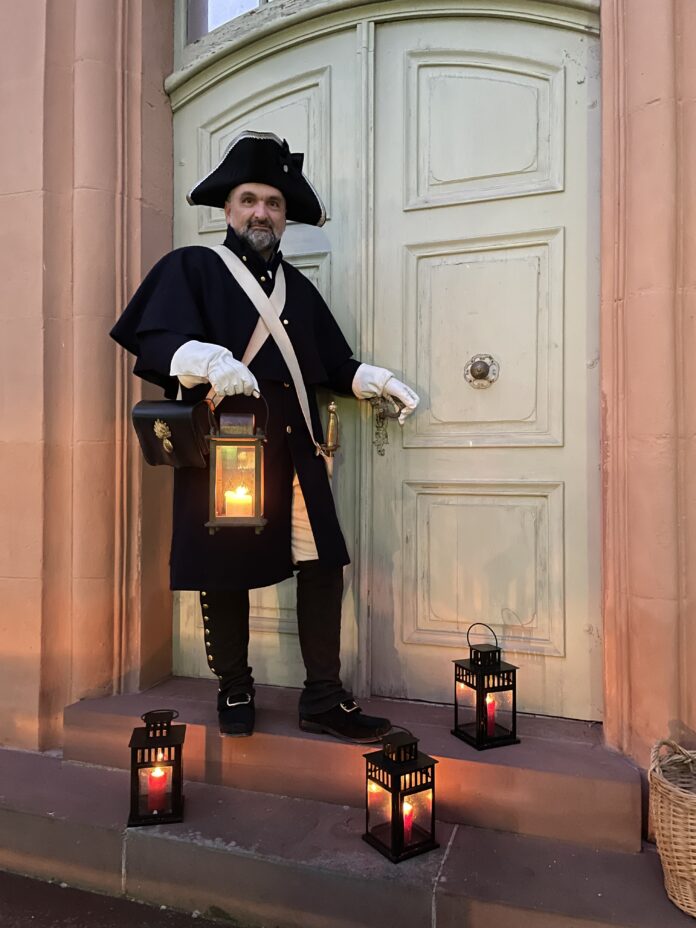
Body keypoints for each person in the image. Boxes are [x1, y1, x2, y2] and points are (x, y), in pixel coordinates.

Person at [111, 131, 419, 742]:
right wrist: (203, 358)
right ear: (227, 209)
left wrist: (375, 379)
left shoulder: (297, 289)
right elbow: (154, 340)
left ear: (284, 217)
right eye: (249, 199)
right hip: (229, 452)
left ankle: (324, 698)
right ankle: (234, 686)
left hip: (298, 451)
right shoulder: (191, 266)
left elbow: (331, 364)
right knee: (222, 570)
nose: (261, 212)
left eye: (273, 203)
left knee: (322, 560)